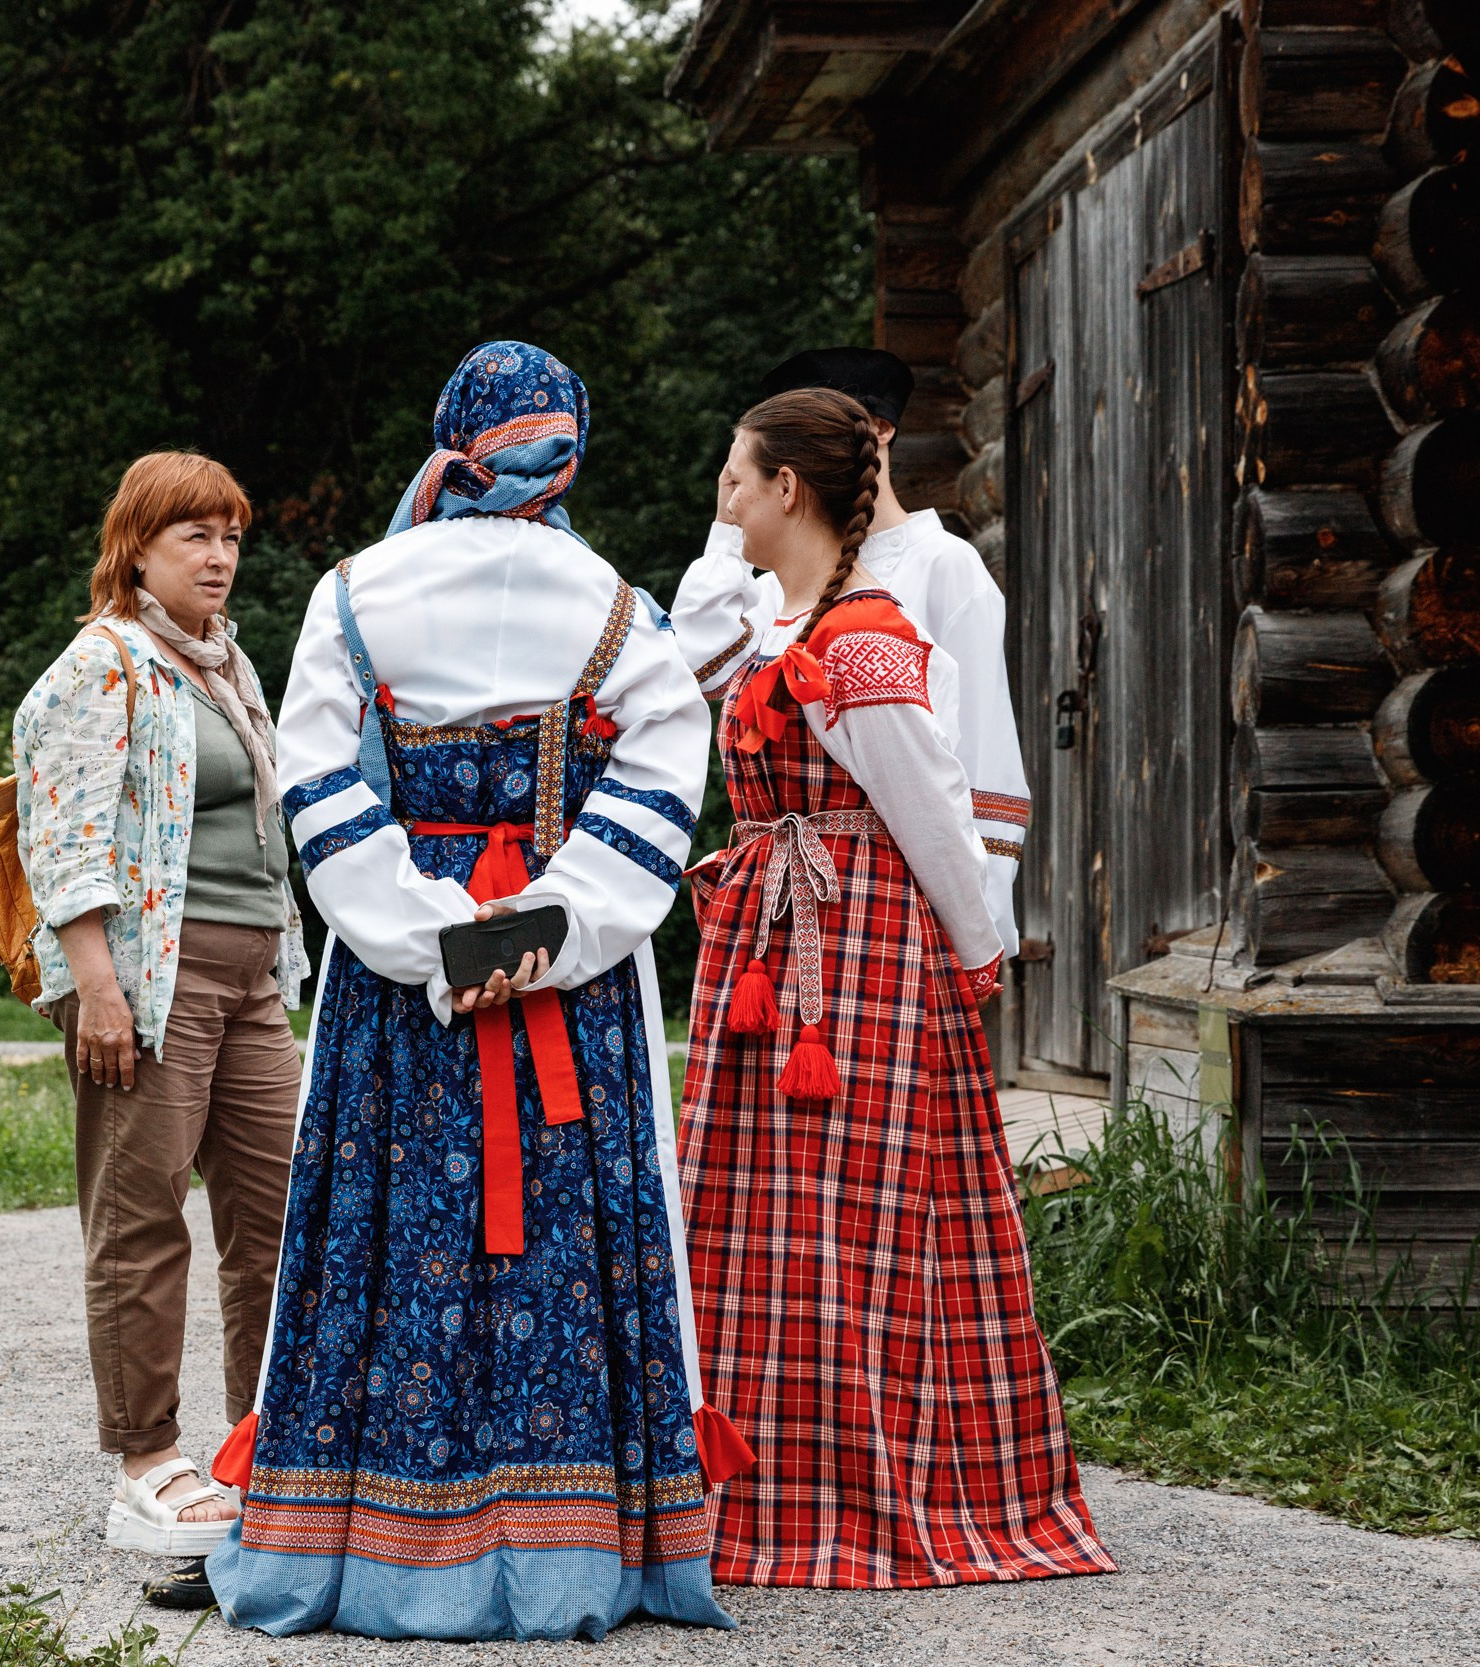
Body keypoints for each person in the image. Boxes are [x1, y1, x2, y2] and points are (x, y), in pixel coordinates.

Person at [205, 342, 739, 1640]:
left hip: (400, 997)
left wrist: (430, 939)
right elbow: (660, 798)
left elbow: (318, 796)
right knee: (571, 1247)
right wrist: (538, 934)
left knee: (383, 1244)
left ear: (455, 443)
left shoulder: (351, 593)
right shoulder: (619, 606)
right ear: (572, 452)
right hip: (572, 990)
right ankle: (574, 1555)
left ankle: (372, 1543)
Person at [672, 388, 1113, 1587]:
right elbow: (691, 647)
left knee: (850, 1222)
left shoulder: (861, 630)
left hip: (856, 949)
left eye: (734, 471)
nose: (723, 490)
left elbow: (928, 804)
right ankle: (746, 1489)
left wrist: (977, 949)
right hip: (777, 938)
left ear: (786, 490)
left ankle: (866, 1495)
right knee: (759, 1216)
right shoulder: (789, 620)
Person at [11, 452, 310, 1565]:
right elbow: (64, 832)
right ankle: (145, 1460)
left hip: (253, 981)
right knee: (140, 1219)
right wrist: (98, 986)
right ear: (136, 547)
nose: (220, 556)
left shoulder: (227, 665)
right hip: (153, 982)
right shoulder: (106, 664)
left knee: (279, 1215)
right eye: (194, 534)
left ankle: (262, 1438)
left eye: (230, 534)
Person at [673, 347, 1030, 956]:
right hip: (790, 902)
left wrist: (980, 931)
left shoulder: (944, 565)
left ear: (877, 431)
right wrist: (730, 522)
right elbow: (700, 668)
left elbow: (978, 759)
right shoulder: (778, 588)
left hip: (894, 905)